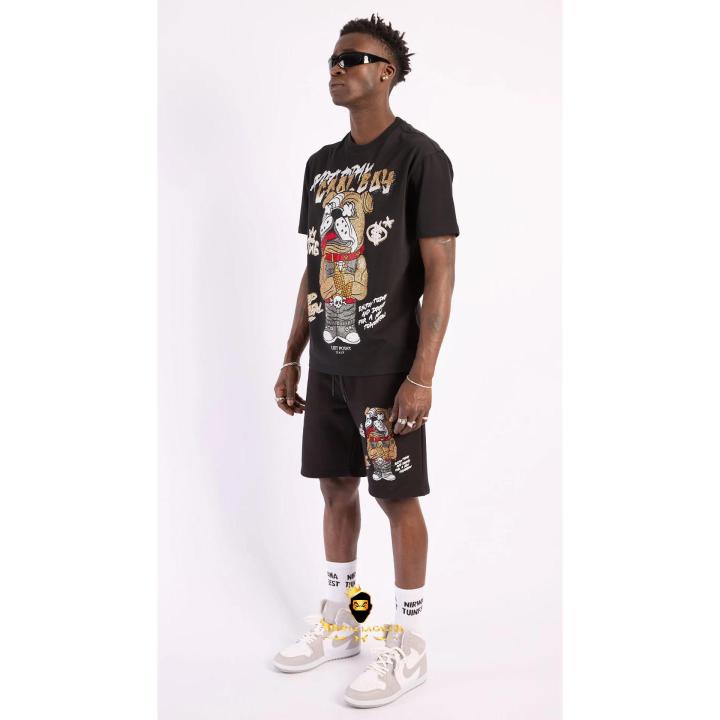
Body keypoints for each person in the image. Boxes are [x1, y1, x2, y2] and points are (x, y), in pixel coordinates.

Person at [271, 12, 459, 709]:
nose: (337, 68)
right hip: (329, 365)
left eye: (351, 58)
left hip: (386, 370)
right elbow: (315, 266)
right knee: (335, 488)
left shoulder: (420, 157)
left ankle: (408, 644)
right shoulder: (320, 165)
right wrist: (292, 356)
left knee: (395, 497)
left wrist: (421, 376)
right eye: (332, 58)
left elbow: (441, 272)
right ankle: (345, 620)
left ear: (386, 73)